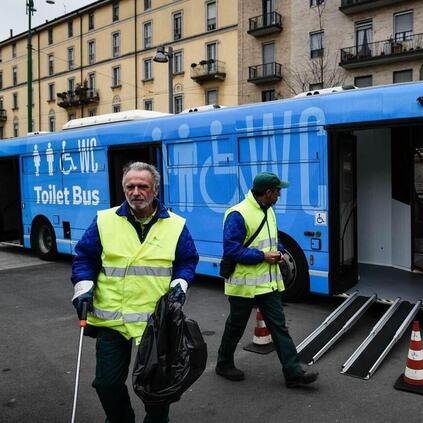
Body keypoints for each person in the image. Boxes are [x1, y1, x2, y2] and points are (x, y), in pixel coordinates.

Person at [71, 162, 199, 423]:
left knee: (157, 386)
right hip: (112, 320)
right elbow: (85, 257)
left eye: (143, 186)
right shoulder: (104, 221)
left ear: (155, 190)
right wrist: (83, 286)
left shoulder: (175, 225)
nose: (136, 192)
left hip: (155, 321)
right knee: (106, 384)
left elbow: (187, 261)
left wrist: (180, 284)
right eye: (130, 186)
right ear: (123, 189)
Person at [216, 172, 318, 388]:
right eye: (278, 191)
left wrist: (279, 251)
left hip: (268, 284)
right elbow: (232, 250)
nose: (280, 195)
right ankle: (223, 363)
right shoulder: (238, 214)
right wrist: (263, 256)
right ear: (269, 192)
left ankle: (293, 374)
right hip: (243, 286)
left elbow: (274, 239)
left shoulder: (269, 210)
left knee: (279, 327)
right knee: (235, 326)